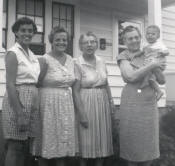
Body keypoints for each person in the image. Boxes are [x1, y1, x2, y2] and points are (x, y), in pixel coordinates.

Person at [35, 26, 88, 166]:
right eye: (58, 39)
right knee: (47, 141)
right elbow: (37, 84)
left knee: (62, 144)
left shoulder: (72, 60)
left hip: (66, 105)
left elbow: (75, 86)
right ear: (51, 41)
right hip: (48, 105)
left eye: (64, 40)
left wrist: (81, 112)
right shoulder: (43, 60)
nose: (61, 42)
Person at [117, 26, 166, 166]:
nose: (134, 40)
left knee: (148, 141)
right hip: (131, 100)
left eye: (136, 37)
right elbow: (130, 77)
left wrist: (155, 65)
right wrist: (152, 65)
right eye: (130, 38)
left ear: (140, 38)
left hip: (149, 100)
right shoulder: (123, 56)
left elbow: (162, 80)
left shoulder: (149, 53)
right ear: (124, 41)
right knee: (131, 139)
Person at [2, 17, 40, 166]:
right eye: (23, 30)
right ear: (16, 33)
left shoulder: (31, 54)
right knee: (15, 145)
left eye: (30, 31)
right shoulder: (13, 53)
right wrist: (19, 114)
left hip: (32, 101)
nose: (27, 33)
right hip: (17, 100)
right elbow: (10, 84)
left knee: (25, 146)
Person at [74, 32, 114, 166]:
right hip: (86, 101)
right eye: (86, 42)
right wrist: (81, 113)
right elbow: (75, 90)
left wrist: (111, 102)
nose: (89, 45)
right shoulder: (76, 63)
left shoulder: (101, 61)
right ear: (80, 46)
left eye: (92, 42)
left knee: (102, 139)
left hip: (102, 102)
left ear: (96, 44)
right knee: (85, 138)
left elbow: (106, 82)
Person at [130, 25, 169, 100]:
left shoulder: (159, 44)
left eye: (153, 34)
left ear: (158, 36)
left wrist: (162, 52)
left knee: (149, 75)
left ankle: (143, 85)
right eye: (148, 34)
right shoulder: (145, 44)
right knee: (151, 79)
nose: (150, 36)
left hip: (159, 63)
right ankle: (158, 91)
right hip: (150, 64)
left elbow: (167, 52)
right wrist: (135, 55)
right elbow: (142, 52)